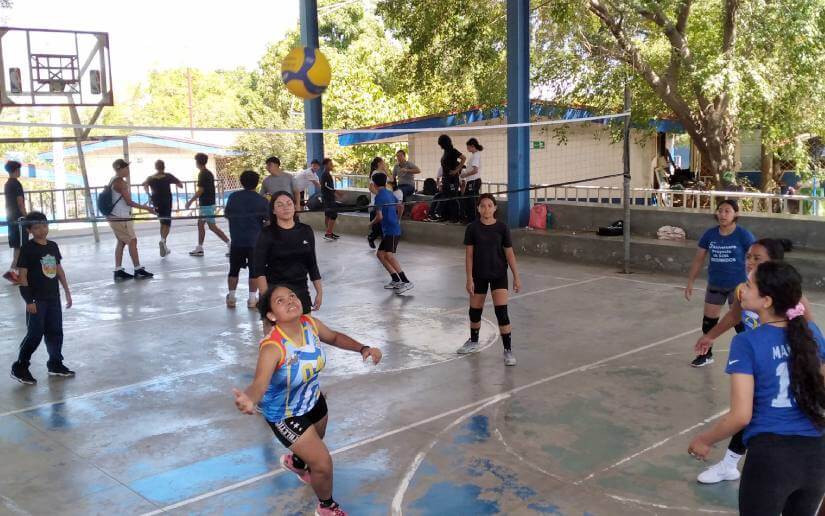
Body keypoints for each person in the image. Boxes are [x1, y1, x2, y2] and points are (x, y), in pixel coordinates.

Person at [688, 261, 825, 516]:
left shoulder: (747, 342)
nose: (742, 290)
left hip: (771, 459)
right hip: (816, 456)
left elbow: (741, 415)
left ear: (767, 301)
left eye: (749, 285)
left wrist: (704, 440)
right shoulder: (812, 333)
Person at [233, 284, 382, 516]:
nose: (290, 300)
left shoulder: (310, 324)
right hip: (285, 414)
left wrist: (363, 348)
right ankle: (327, 507)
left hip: (313, 400)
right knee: (322, 464)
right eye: (280, 301)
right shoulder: (273, 347)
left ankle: (297, 462)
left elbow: (333, 337)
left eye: (292, 296)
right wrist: (250, 399)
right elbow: (260, 383)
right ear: (271, 315)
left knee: (316, 440)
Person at [685, 199, 755, 367]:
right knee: (708, 322)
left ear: (735, 214)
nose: (722, 214)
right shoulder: (710, 234)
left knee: (740, 323)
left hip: (738, 286)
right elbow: (698, 260)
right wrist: (690, 282)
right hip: (716, 284)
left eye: (727, 211)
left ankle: (751, 358)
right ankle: (706, 355)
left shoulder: (743, 235)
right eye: (720, 210)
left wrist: (755, 281)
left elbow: (756, 258)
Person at [457, 194, 521, 365]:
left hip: (499, 274)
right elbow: (469, 256)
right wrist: (469, 278)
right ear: (478, 209)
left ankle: (508, 350)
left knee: (502, 313)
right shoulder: (472, 228)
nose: (486, 209)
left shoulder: (502, 228)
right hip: (479, 275)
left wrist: (516, 276)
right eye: (483, 206)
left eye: (489, 205)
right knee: (474, 311)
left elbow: (509, 253)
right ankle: (474, 341)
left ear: (495, 208)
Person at [10, 211, 74, 385]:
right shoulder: (27, 249)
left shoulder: (52, 246)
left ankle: (55, 363)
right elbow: (22, 276)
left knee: (55, 332)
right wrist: (28, 300)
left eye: (44, 225)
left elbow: (58, 270)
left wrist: (67, 291)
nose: (42, 230)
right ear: (29, 230)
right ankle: (20, 366)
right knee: (35, 334)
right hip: (36, 299)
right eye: (37, 227)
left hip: (53, 297)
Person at [253, 191, 323, 323]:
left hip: (300, 290)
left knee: (305, 335)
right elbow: (259, 270)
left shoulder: (306, 230)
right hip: (276, 292)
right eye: (280, 205)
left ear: (295, 207)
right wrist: (267, 300)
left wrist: (319, 291)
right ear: (273, 210)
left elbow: (312, 264)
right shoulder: (266, 234)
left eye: (289, 203)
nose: (285, 207)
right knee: (277, 338)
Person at [224, 170, 269, 309]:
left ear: (241, 181)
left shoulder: (233, 197)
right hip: (255, 241)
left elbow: (227, 215)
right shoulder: (262, 200)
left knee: (233, 270)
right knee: (254, 271)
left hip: (237, 240)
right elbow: (267, 222)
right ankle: (251, 300)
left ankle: (231, 297)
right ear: (256, 183)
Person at [108, 159, 155, 281]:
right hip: (120, 218)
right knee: (132, 241)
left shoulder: (113, 180)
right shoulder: (120, 183)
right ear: (119, 169)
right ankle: (138, 269)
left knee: (121, 242)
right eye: (125, 168)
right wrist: (146, 208)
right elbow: (129, 202)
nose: (128, 170)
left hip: (116, 217)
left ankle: (118, 271)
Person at [370, 173, 413, 293]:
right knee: (380, 254)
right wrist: (398, 218)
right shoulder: (390, 193)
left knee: (389, 255)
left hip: (392, 230)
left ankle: (406, 281)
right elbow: (401, 206)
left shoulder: (379, 197)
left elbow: (379, 217)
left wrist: (371, 223)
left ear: (374, 184)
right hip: (390, 229)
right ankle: (395, 279)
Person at [185, 152, 230, 257]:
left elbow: (201, 190)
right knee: (200, 224)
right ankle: (200, 248)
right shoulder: (207, 173)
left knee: (212, 226)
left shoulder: (203, 174)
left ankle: (230, 244)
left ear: (197, 162)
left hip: (206, 204)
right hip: (207, 203)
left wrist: (190, 201)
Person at [142, 159, 183, 258]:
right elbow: (180, 185)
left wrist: (148, 194)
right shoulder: (168, 176)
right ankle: (163, 241)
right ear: (164, 167)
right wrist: (176, 183)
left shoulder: (151, 178)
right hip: (166, 201)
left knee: (162, 222)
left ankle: (164, 245)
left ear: (155, 167)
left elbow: (144, 184)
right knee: (167, 223)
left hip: (156, 201)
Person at [3, 160, 27, 283]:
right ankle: (14, 272)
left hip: (11, 218)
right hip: (19, 219)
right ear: (16, 170)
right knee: (21, 247)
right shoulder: (16, 184)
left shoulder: (7, 184)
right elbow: (20, 203)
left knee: (17, 247)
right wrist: (27, 218)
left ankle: (14, 273)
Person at [437, 134, 465, 223]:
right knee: (445, 197)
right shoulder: (445, 151)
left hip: (452, 179)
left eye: (440, 144)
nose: (440, 146)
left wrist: (456, 170)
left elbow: (463, 158)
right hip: (445, 179)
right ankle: (445, 216)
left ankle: (455, 217)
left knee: (453, 198)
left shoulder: (453, 151)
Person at [459, 138, 483, 223]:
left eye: (468, 147)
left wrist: (465, 175)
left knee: (472, 202)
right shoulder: (474, 155)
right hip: (471, 181)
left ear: (472, 146)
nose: (467, 149)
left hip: (474, 181)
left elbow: (475, 170)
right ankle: (470, 218)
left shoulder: (476, 155)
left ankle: (474, 220)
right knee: (468, 200)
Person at [367, 157, 389, 249]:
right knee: (377, 227)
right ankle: (371, 238)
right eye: (383, 162)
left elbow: (391, 180)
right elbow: (371, 187)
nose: (384, 163)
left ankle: (384, 246)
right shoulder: (375, 173)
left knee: (382, 225)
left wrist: (386, 171)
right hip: (376, 203)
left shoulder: (383, 173)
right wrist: (379, 194)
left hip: (384, 203)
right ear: (379, 163)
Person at [319, 158, 339, 241]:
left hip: (327, 198)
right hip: (328, 198)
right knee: (333, 215)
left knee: (328, 215)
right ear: (326, 165)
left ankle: (329, 232)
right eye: (330, 164)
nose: (332, 165)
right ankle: (328, 233)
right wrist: (336, 192)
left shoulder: (326, 174)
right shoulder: (325, 174)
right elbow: (326, 186)